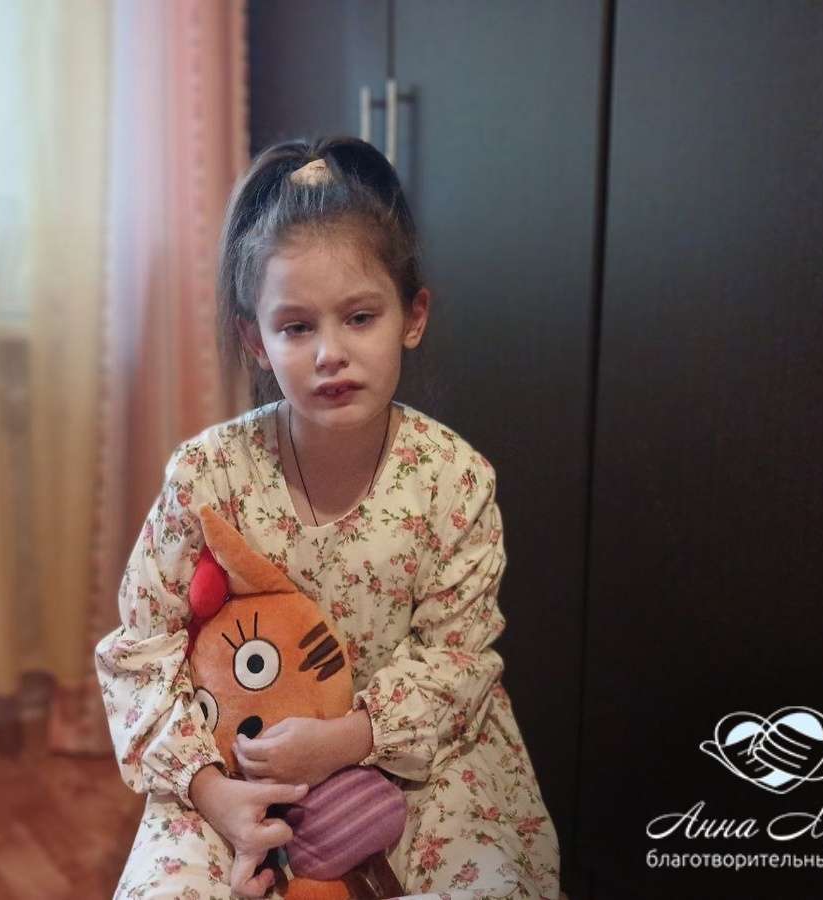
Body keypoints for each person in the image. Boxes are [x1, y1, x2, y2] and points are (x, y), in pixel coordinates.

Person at [95, 136, 561, 899]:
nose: (329, 354)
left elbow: (458, 659)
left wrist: (347, 740)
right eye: (297, 327)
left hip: (416, 760)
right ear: (255, 340)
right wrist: (216, 795)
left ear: (412, 317)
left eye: (360, 317)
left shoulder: (454, 480)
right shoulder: (207, 476)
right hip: (236, 766)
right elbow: (142, 650)